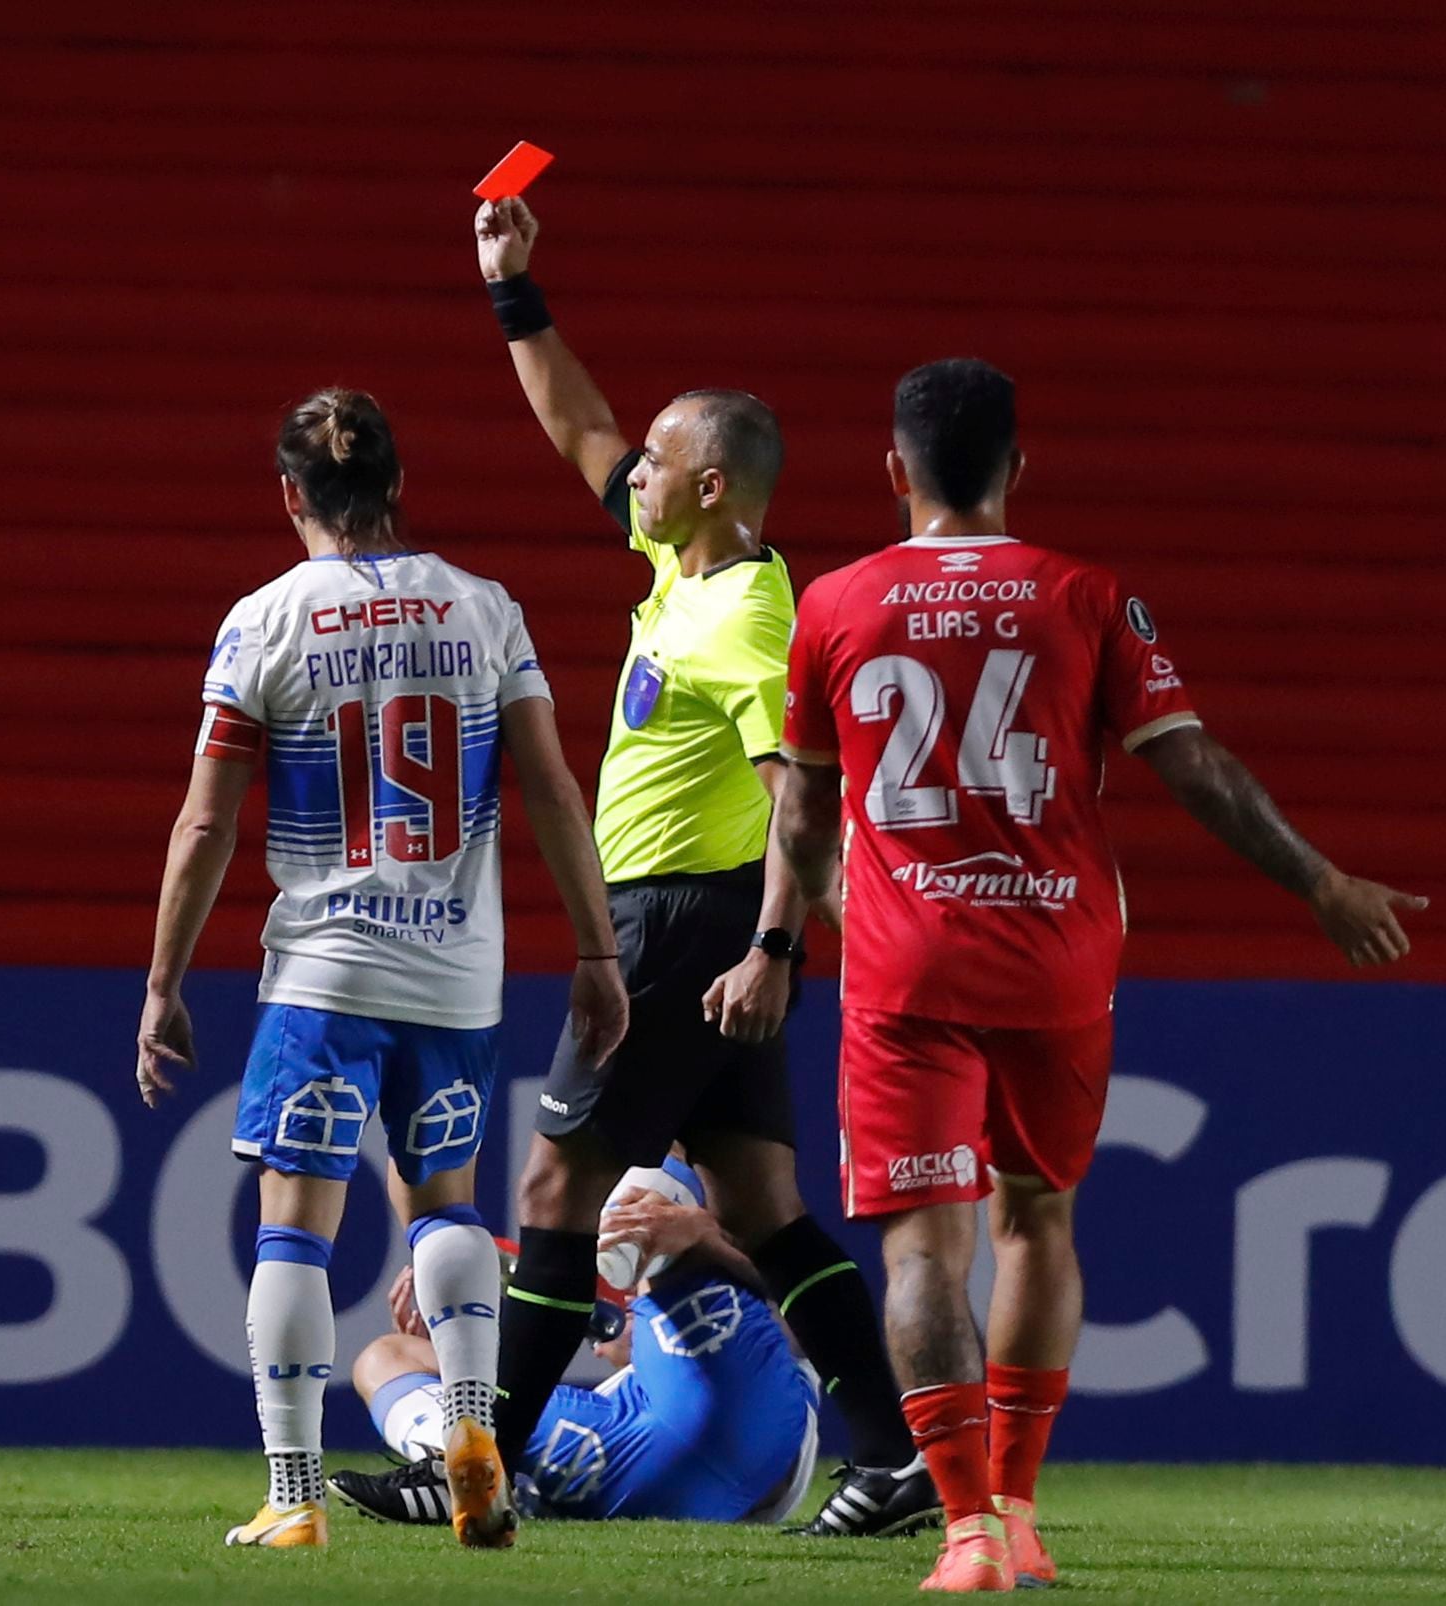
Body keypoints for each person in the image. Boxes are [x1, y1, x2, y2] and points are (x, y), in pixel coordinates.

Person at [761, 357, 1428, 1590]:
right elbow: (1194, 766)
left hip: (906, 967)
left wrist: (791, 930)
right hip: (1057, 960)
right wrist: (1323, 882)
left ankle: (963, 1532)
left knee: (920, 1256)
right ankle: (1015, 1508)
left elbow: (802, 812)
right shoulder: (1084, 596)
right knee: (1039, 1220)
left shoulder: (836, 604)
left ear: (895, 471)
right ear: (1019, 468)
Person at [339, 195, 930, 1538]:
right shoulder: (681, 562)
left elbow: (803, 791)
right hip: (710, 926)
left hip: (685, 929)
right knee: (771, 1210)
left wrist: (772, 947)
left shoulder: (742, 617)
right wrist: (511, 291)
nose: (633, 475)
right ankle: (897, 1460)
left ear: (710, 482)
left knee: (553, 1186)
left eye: (659, 463)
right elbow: (577, 426)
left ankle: (474, 1465)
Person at [135, 387, 629, 1551]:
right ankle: (471, 1427)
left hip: (325, 973)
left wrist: (163, 981)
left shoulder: (262, 622)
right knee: (445, 1206)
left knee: (294, 1230)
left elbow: (205, 826)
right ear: (400, 487)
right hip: (457, 975)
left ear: (292, 497)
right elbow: (555, 790)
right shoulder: (485, 609)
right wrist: (598, 947)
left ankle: (295, 1493)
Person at [336, 1159, 821, 1527]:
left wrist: (700, 1237)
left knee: (653, 1181)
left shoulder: (691, 1168)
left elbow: (809, 1314)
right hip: (691, 1465)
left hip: (704, 1445)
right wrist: (456, 1350)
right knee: (388, 1353)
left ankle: (467, 1477)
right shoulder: (734, 1172)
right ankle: (479, 1479)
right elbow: (809, 1314)